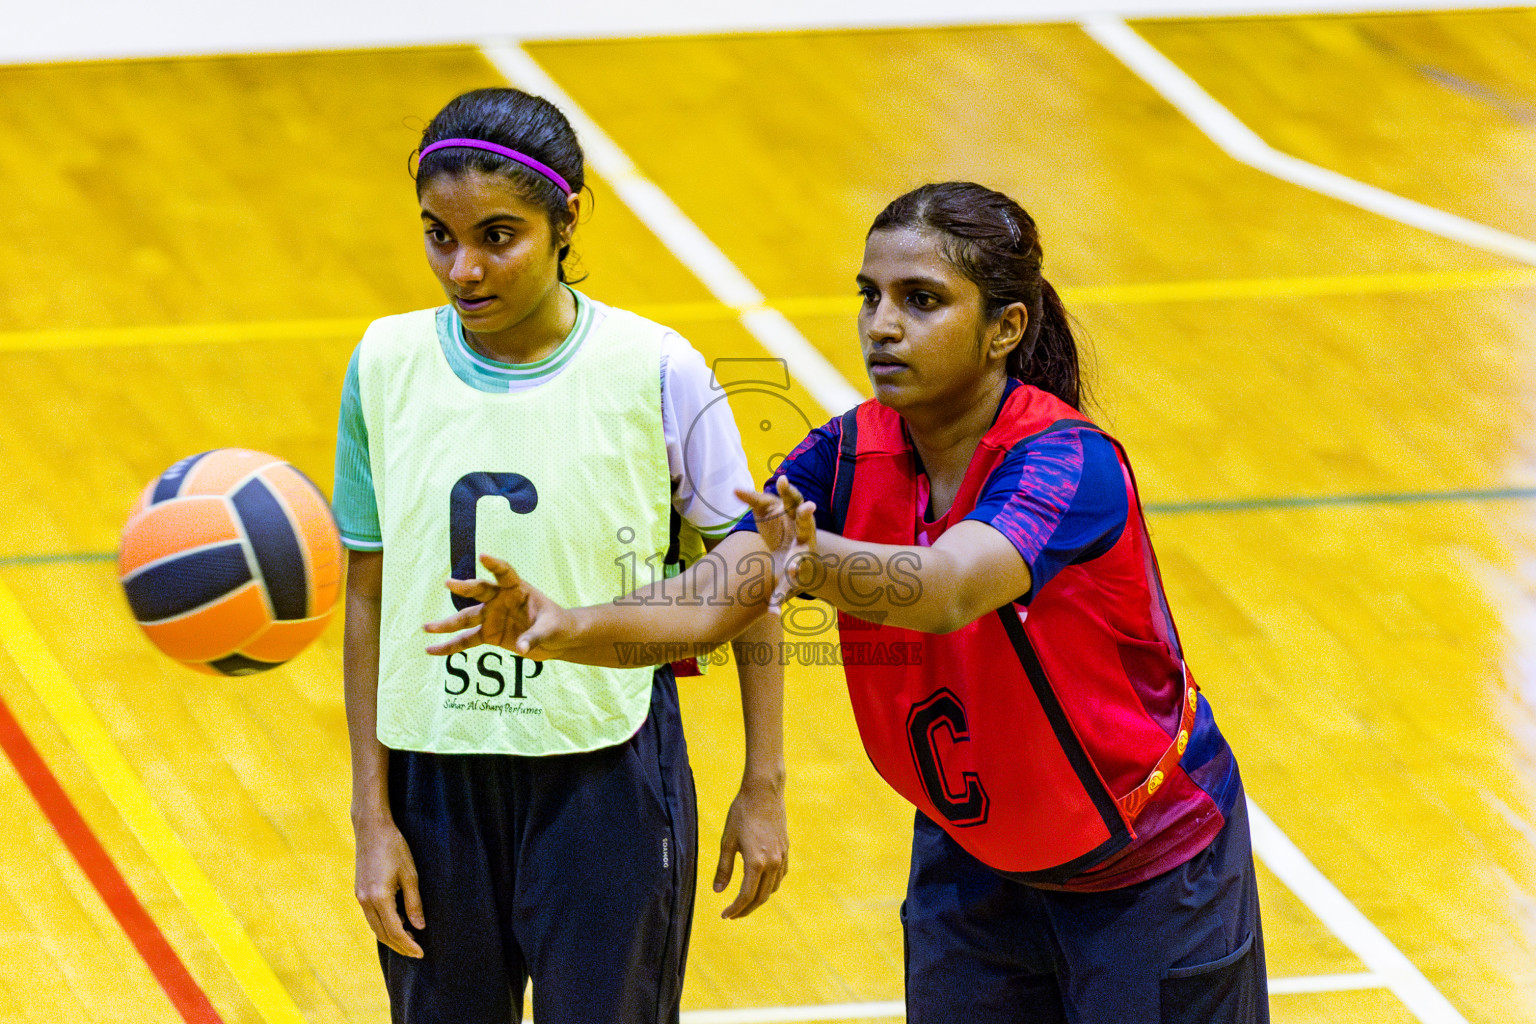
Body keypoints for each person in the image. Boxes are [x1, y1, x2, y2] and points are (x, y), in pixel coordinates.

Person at [426, 181, 1268, 1023]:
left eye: (922, 301)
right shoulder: (846, 451)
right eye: (870, 296)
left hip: (1151, 873)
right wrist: (566, 624)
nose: (882, 325)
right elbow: (712, 597)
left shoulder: (1066, 464)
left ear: (1006, 328)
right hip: (972, 863)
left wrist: (803, 558)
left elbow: (946, 588)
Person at [334, 86, 788, 1024]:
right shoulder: (382, 362)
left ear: (567, 218)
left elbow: (751, 576)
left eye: (498, 236)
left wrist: (764, 782)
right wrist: (371, 816)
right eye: (437, 235)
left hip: (605, 779)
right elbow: (369, 592)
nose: (463, 270)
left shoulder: (657, 367)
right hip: (435, 782)